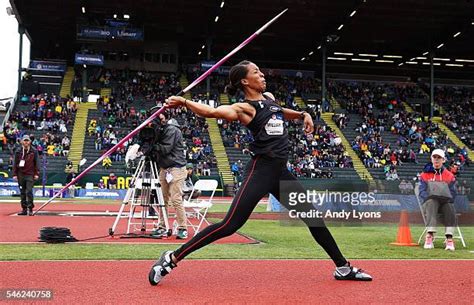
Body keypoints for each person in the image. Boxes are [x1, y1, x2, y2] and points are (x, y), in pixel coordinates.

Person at [148, 60, 372, 285]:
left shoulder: (269, 100)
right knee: (229, 226)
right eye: (257, 72)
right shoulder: (245, 108)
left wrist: (303, 114)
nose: (263, 75)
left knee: (314, 218)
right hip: (261, 171)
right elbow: (213, 111)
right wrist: (185, 102)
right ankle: (171, 257)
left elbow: (282, 112)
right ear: (245, 81)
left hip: (280, 174)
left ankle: (343, 268)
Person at [154, 114, 188, 239]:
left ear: (165, 118)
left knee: (176, 199)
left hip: (176, 167)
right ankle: (162, 226)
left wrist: (153, 147)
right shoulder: (162, 130)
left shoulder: (172, 129)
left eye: (159, 117)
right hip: (165, 168)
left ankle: (182, 228)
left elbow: (166, 148)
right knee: (162, 200)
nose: (158, 120)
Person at [419, 149, 457, 250]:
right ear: (431, 159)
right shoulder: (424, 175)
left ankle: (449, 238)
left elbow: (453, 193)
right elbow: (421, 192)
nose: (436, 160)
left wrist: (447, 198)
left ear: (443, 160)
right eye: (434, 157)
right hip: (430, 205)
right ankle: (429, 236)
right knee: (432, 202)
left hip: (444, 204)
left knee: (449, 206)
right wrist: (430, 197)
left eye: (439, 158)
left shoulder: (449, 175)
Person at [13, 135, 39, 216]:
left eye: (27, 140)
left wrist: (36, 173)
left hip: (30, 174)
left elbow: (37, 163)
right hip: (20, 174)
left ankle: (30, 208)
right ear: (21, 142)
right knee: (22, 192)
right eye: (25, 140)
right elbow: (15, 163)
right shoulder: (18, 151)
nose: (26, 142)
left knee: (29, 191)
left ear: (30, 142)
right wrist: (14, 174)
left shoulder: (34, 151)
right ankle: (24, 209)